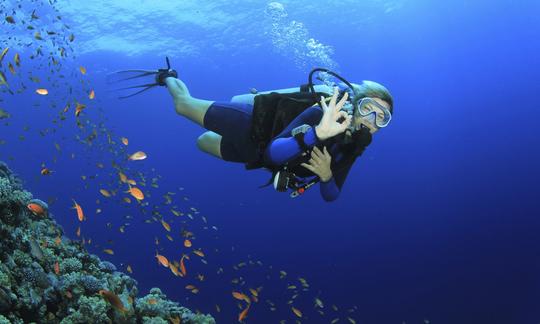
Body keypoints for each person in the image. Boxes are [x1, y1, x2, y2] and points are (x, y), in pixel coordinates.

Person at [161, 73, 393, 202]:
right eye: (368, 108)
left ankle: (221, 118)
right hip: (254, 125)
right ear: (354, 106)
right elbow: (274, 151)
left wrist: (327, 175)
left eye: (382, 117)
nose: (372, 119)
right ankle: (167, 77)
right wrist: (317, 133)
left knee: (201, 142)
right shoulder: (321, 112)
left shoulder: (350, 148)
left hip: (254, 155)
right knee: (183, 106)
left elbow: (331, 195)